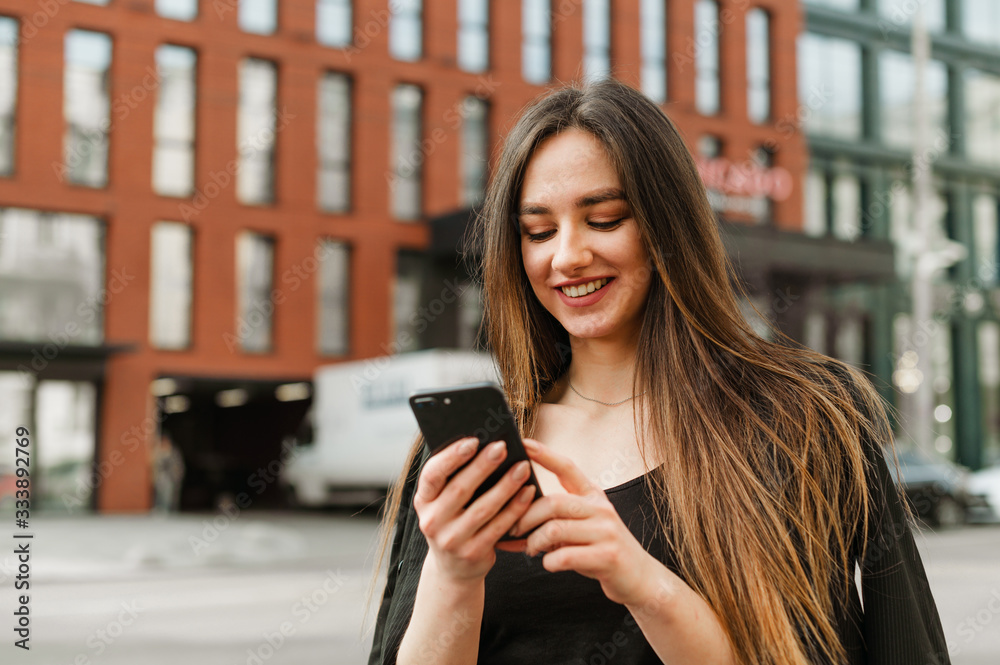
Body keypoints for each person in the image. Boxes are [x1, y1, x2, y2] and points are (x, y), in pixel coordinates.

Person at [366, 78, 951, 665]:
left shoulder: (803, 419)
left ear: (667, 226)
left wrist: (642, 583)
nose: (566, 256)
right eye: (539, 231)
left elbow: (901, 647)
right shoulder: (473, 455)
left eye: (605, 219)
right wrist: (454, 576)